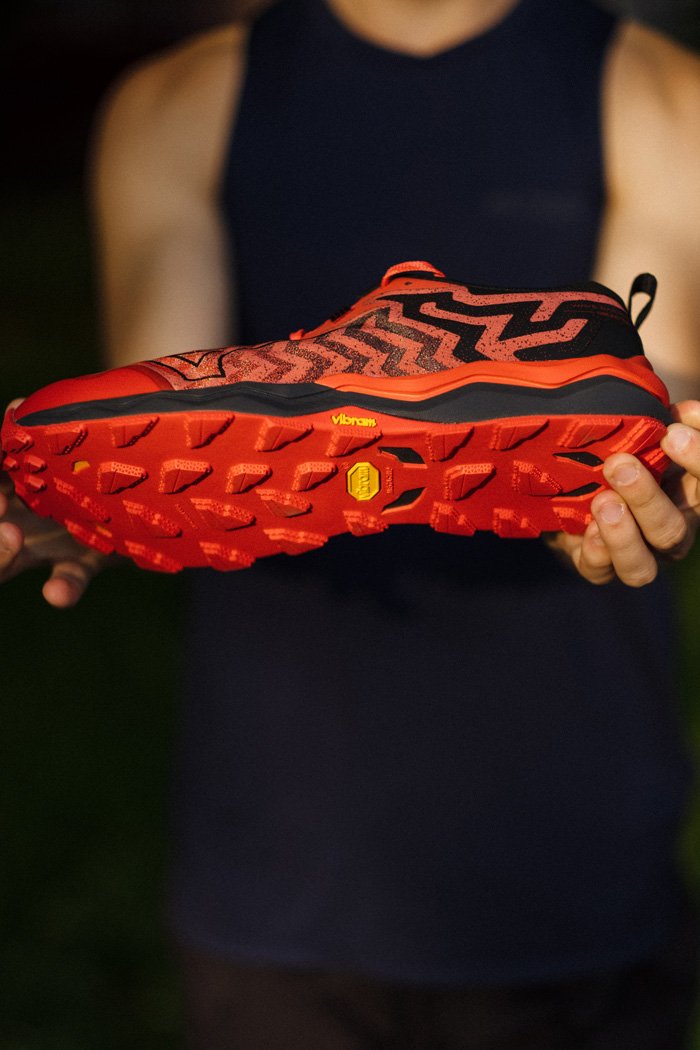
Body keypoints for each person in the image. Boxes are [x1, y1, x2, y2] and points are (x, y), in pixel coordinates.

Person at [3, 0, 700, 1045]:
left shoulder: (663, 96)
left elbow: (656, 386)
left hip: (571, 846)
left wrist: (637, 486)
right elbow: (162, 427)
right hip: (281, 851)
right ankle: (412, 361)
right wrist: (76, 508)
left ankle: (438, 360)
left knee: (613, 418)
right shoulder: (174, 104)